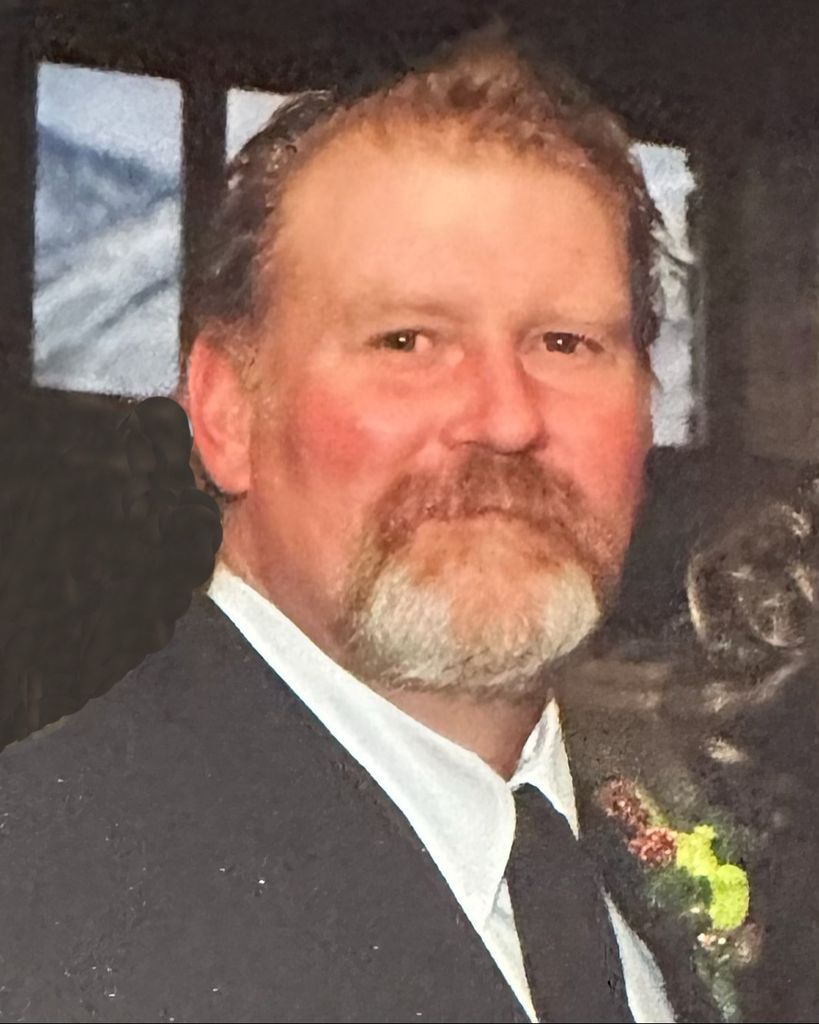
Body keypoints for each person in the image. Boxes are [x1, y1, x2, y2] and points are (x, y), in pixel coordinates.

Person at [0, 29, 729, 1023]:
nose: (505, 418)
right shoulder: (41, 906)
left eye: (565, 342)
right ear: (226, 413)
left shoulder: (686, 859)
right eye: (407, 341)